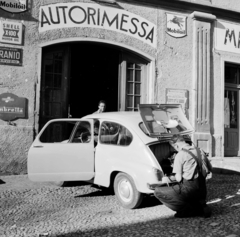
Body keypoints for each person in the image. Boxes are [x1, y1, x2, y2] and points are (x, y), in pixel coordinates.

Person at [154, 134, 212, 218]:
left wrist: (167, 179)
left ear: (176, 145)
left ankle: (187, 210)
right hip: (202, 190)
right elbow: (209, 169)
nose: (175, 150)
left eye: (174, 148)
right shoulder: (200, 151)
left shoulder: (180, 154)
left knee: (157, 191)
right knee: (191, 191)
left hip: (189, 190)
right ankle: (199, 205)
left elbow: (178, 178)